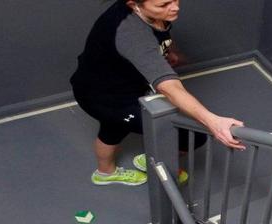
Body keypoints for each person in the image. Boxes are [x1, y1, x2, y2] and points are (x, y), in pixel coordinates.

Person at [70, 0, 246, 187]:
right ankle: (129, 166)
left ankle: (106, 172)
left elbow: (159, 34)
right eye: (163, 5)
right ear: (134, 5)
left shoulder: (152, 13)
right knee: (193, 136)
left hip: (110, 85)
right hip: (104, 96)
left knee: (113, 127)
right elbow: (168, 87)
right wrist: (213, 122)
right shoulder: (131, 33)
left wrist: (167, 52)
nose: (175, 7)